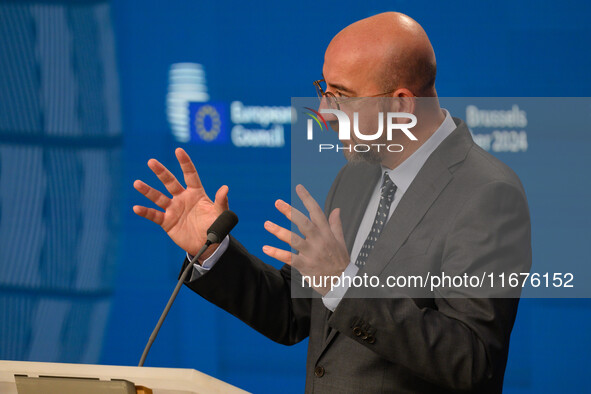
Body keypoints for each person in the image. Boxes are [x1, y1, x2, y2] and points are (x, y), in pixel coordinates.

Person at [133, 12, 531, 393]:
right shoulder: (356, 175)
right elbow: (292, 314)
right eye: (323, 90)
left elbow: (473, 360)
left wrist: (345, 285)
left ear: (401, 105)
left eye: (341, 96)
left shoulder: (487, 194)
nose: (323, 111)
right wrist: (213, 251)